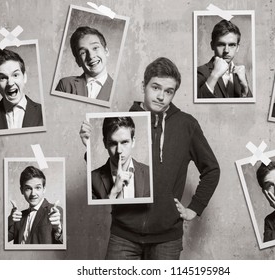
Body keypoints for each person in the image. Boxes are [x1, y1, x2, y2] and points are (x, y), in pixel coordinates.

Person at [80, 57, 220, 259]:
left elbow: (212, 170)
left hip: (167, 239)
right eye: (156, 87)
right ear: (144, 85)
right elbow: (104, 176)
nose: (161, 96)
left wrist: (194, 208)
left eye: (169, 91)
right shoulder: (123, 122)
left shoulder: (186, 125)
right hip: (123, 235)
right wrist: (90, 150)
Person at [91, 117, 150, 199]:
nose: (119, 150)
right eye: (113, 143)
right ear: (105, 143)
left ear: (133, 142)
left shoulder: (150, 174)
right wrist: (114, 191)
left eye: (124, 142)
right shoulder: (92, 179)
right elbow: (98, 212)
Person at [0, 49, 43, 130]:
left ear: (24, 77)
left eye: (15, 75)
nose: (10, 83)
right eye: (2, 78)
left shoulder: (44, 113)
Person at [8, 166, 63, 244]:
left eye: (38, 188)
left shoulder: (55, 212)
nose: (33, 193)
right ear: (22, 190)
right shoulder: (19, 217)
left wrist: (59, 230)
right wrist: (9, 220)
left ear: (44, 189)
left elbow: (66, 247)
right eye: (28, 188)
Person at [197, 19, 252, 98]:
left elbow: (250, 109)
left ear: (237, 48)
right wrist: (214, 75)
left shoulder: (240, 73)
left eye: (232, 45)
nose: (226, 50)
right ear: (212, 45)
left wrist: (245, 87)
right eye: (221, 44)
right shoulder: (200, 72)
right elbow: (197, 106)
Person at [55, 26, 113, 101]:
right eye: (83, 52)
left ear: (106, 51)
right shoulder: (66, 85)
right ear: (78, 61)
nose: (91, 56)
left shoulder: (118, 90)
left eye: (95, 48)